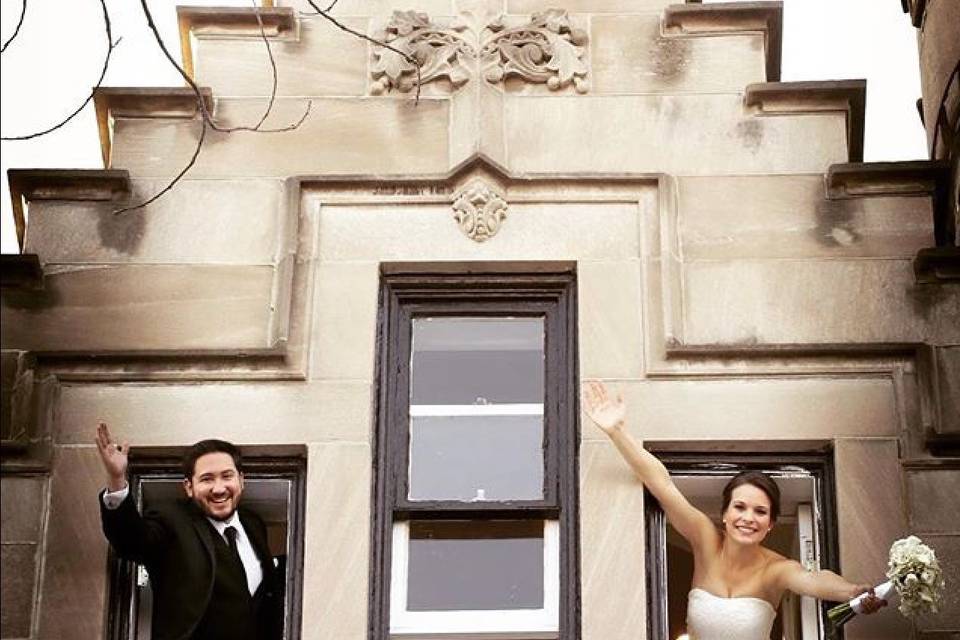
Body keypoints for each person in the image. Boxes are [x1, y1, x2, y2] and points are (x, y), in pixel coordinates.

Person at [581, 381, 885, 640]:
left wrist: (851, 591)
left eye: (760, 512)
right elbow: (662, 484)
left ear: (771, 524)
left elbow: (815, 580)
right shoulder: (704, 540)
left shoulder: (776, 570)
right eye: (739, 507)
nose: (748, 518)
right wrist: (617, 432)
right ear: (724, 514)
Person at [95, 423, 283, 640]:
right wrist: (117, 481)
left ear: (241, 480)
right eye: (207, 479)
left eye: (227, 476)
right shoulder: (171, 520)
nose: (219, 488)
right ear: (189, 487)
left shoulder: (254, 524)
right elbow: (131, 541)